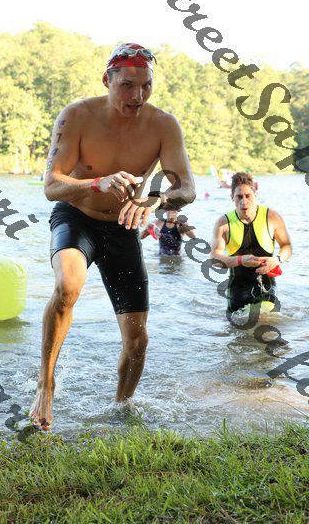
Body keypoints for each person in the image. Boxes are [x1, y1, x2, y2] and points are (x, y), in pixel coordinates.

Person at [30, 42, 196, 430]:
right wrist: (97, 182)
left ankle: (121, 411)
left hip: (123, 228)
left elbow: (186, 187)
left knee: (137, 342)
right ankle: (45, 385)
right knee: (69, 284)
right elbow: (52, 186)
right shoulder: (77, 116)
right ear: (108, 80)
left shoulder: (163, 125)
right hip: (77, 216)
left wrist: (156, 198)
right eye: (127, 85)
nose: (138, 96)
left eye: (146, 85)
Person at [211, 172, 292, 313]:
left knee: (268, 322)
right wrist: (241, 260)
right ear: (232, 197)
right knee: (238, 325)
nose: (244, 201)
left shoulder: (272, 217)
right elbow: (214, 259)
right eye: (239, 197)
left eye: (248, 196)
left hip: (266, 285)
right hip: (238, 289)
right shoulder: (223, 223)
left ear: (255, 194)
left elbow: (287, 246)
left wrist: (277, 260)